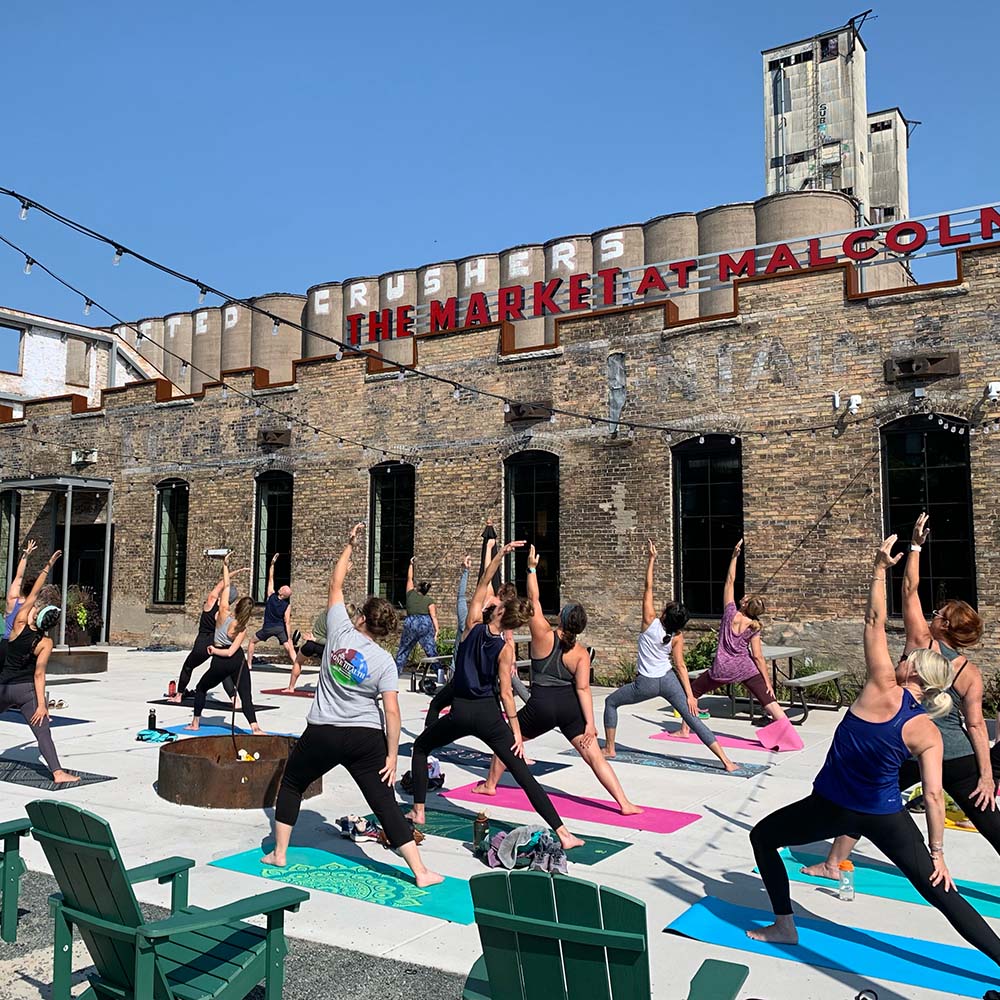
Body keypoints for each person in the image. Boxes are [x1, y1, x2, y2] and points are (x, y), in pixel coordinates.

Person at [746, 535, 1000, 971]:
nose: (903, 656)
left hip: (831, 808)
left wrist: (880, 569)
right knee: (941, 891)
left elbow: (873, 621)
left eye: (908, 658)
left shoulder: (880, 686)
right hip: (884, 816)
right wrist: (938, 854)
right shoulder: (928, 732)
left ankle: (784, 925)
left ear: (913, 671)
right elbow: (933, 797)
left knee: (762, 838)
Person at [802, 512, 1000, 879]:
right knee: (990, 823)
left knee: (865, 798)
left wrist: (916, 546)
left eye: (937, 613)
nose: (932, 614)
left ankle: (831, 864)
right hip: (958, 757)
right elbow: (975, 727)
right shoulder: (970, 671)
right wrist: (986, 777)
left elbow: (909, 588)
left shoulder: (921, 642)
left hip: (912, 748)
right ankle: (831, 864)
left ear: (943, 625)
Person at [262, 522, 443, 888]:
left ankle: (279, 853)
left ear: (361, 618)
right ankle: (421, 872)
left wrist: (349, 545)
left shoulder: (340, 630)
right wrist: (392, 755)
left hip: (324, 731)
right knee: (384, 803)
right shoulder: (384, 661)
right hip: (365, 737)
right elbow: (392, 712)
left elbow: (336, 583)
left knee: (293, 783)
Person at [407, 540, 584, 852]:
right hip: (489, 715)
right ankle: (564, 833)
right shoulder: (505, 648)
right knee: (523, 774)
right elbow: (506, 693)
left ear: (499, 609)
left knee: (421, 747)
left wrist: (499, 555)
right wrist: (516, 731)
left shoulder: (472, 625)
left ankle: (418, 811)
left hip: (461, 711)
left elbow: (483, 582)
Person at [474, 545, 641, 815]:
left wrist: (531, 569)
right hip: (569, 709)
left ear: (562, 618)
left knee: (506, 741)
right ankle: (624, 803)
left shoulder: (542, 634)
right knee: (594, 757)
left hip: (541, 706)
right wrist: (590, 725)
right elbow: (583, 689)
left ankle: (490, 785)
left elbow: (534, 598)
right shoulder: (582, 653)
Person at [602, 540, 739, 772]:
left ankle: (610, 748)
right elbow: (681, 666)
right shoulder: (677, 636)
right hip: (668, 681)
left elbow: (648, 588)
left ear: (664, 614)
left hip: (645, 683)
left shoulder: (649, 622)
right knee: (693, 719)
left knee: (611, 702)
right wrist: (690, 696)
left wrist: (652, 559)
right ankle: (726, 761)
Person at [678, 540, 793, 740]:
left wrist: (734, 556)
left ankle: (684, 730)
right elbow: (757, 657)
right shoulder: (754, 626)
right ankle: (790, 737)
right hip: (744, 667)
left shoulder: (730, 612)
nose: (744, 596)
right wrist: (767, 682)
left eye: (746, 598)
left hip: (721, 668)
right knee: (769, 701)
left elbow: (730, 581)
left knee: (693, 692)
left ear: (745, 604)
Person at [0, 548, 78, 784]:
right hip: (25, 691)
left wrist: (48, 566)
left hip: (3, 686)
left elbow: (33, 592)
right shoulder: (46, 642)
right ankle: (57, 772)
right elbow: (39, 675)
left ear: (35, 614)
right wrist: (42, 705)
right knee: (42, 731)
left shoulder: (19, 623)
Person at [425, 554, 530, 724]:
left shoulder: (479, 617)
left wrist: (490, 555)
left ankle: (430, 733)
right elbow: (509, 639)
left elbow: (483, 581)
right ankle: (527, 707)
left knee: (441, 700)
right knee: (504, 682)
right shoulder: (504, 622)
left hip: (466, 670)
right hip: (484, 678)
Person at [186, 554, 264, 734]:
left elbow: (226, 586)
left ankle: (195, 723)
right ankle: (255, 727)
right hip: (238, 661)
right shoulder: (242, 628)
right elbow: (233, 652)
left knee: (201, 688)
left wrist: (226, 565)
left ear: (236, 606)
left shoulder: (222, 613)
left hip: (221, 660)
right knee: (246, 697)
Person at [168, 565, 249, 703]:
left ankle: (179, 696)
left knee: (188, 666)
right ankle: (234, 699)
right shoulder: (227, 614)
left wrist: (233, 572)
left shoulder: (211, 602)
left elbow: (220, 585)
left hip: (203, 642)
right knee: (222, 672)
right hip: (219, 643)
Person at [283, 605, 352, 694]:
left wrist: (314, 639)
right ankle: (330, 690)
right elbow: (332, 641)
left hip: (311, 643)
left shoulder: (327, 612)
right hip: (323, 647)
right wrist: (316, 640)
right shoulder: (339, 625)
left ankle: (291, 687)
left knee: (298, 662)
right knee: (332, 669)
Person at [246, 553, 296, 668]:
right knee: (289, 646)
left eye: (282, 588)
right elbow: (287, 622)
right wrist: (288, 637)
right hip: (279, 628)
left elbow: (270, 578)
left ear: (282, 593)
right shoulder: (287, 605)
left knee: (252, 641)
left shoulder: (271, 596)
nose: (280, 587)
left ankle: (249, 664)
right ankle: (296, 664)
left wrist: (272, 564)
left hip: (268, 628)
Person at [394, 557, 439, 676]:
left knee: (404, 649)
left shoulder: (410, 595)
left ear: (417, 588)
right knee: (431, 650)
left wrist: (411, 564)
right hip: (425, 622)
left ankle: (396, 672)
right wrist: (437, 630)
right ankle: (439, 673)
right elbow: (433, 616)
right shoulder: (429, 600)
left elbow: (409, 578)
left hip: (412, 621)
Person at [4, 539, 37, 639]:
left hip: (5, 640)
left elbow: (19, 576)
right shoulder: (32, 609)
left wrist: (25, 556)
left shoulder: (12, 600)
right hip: (19, 643)